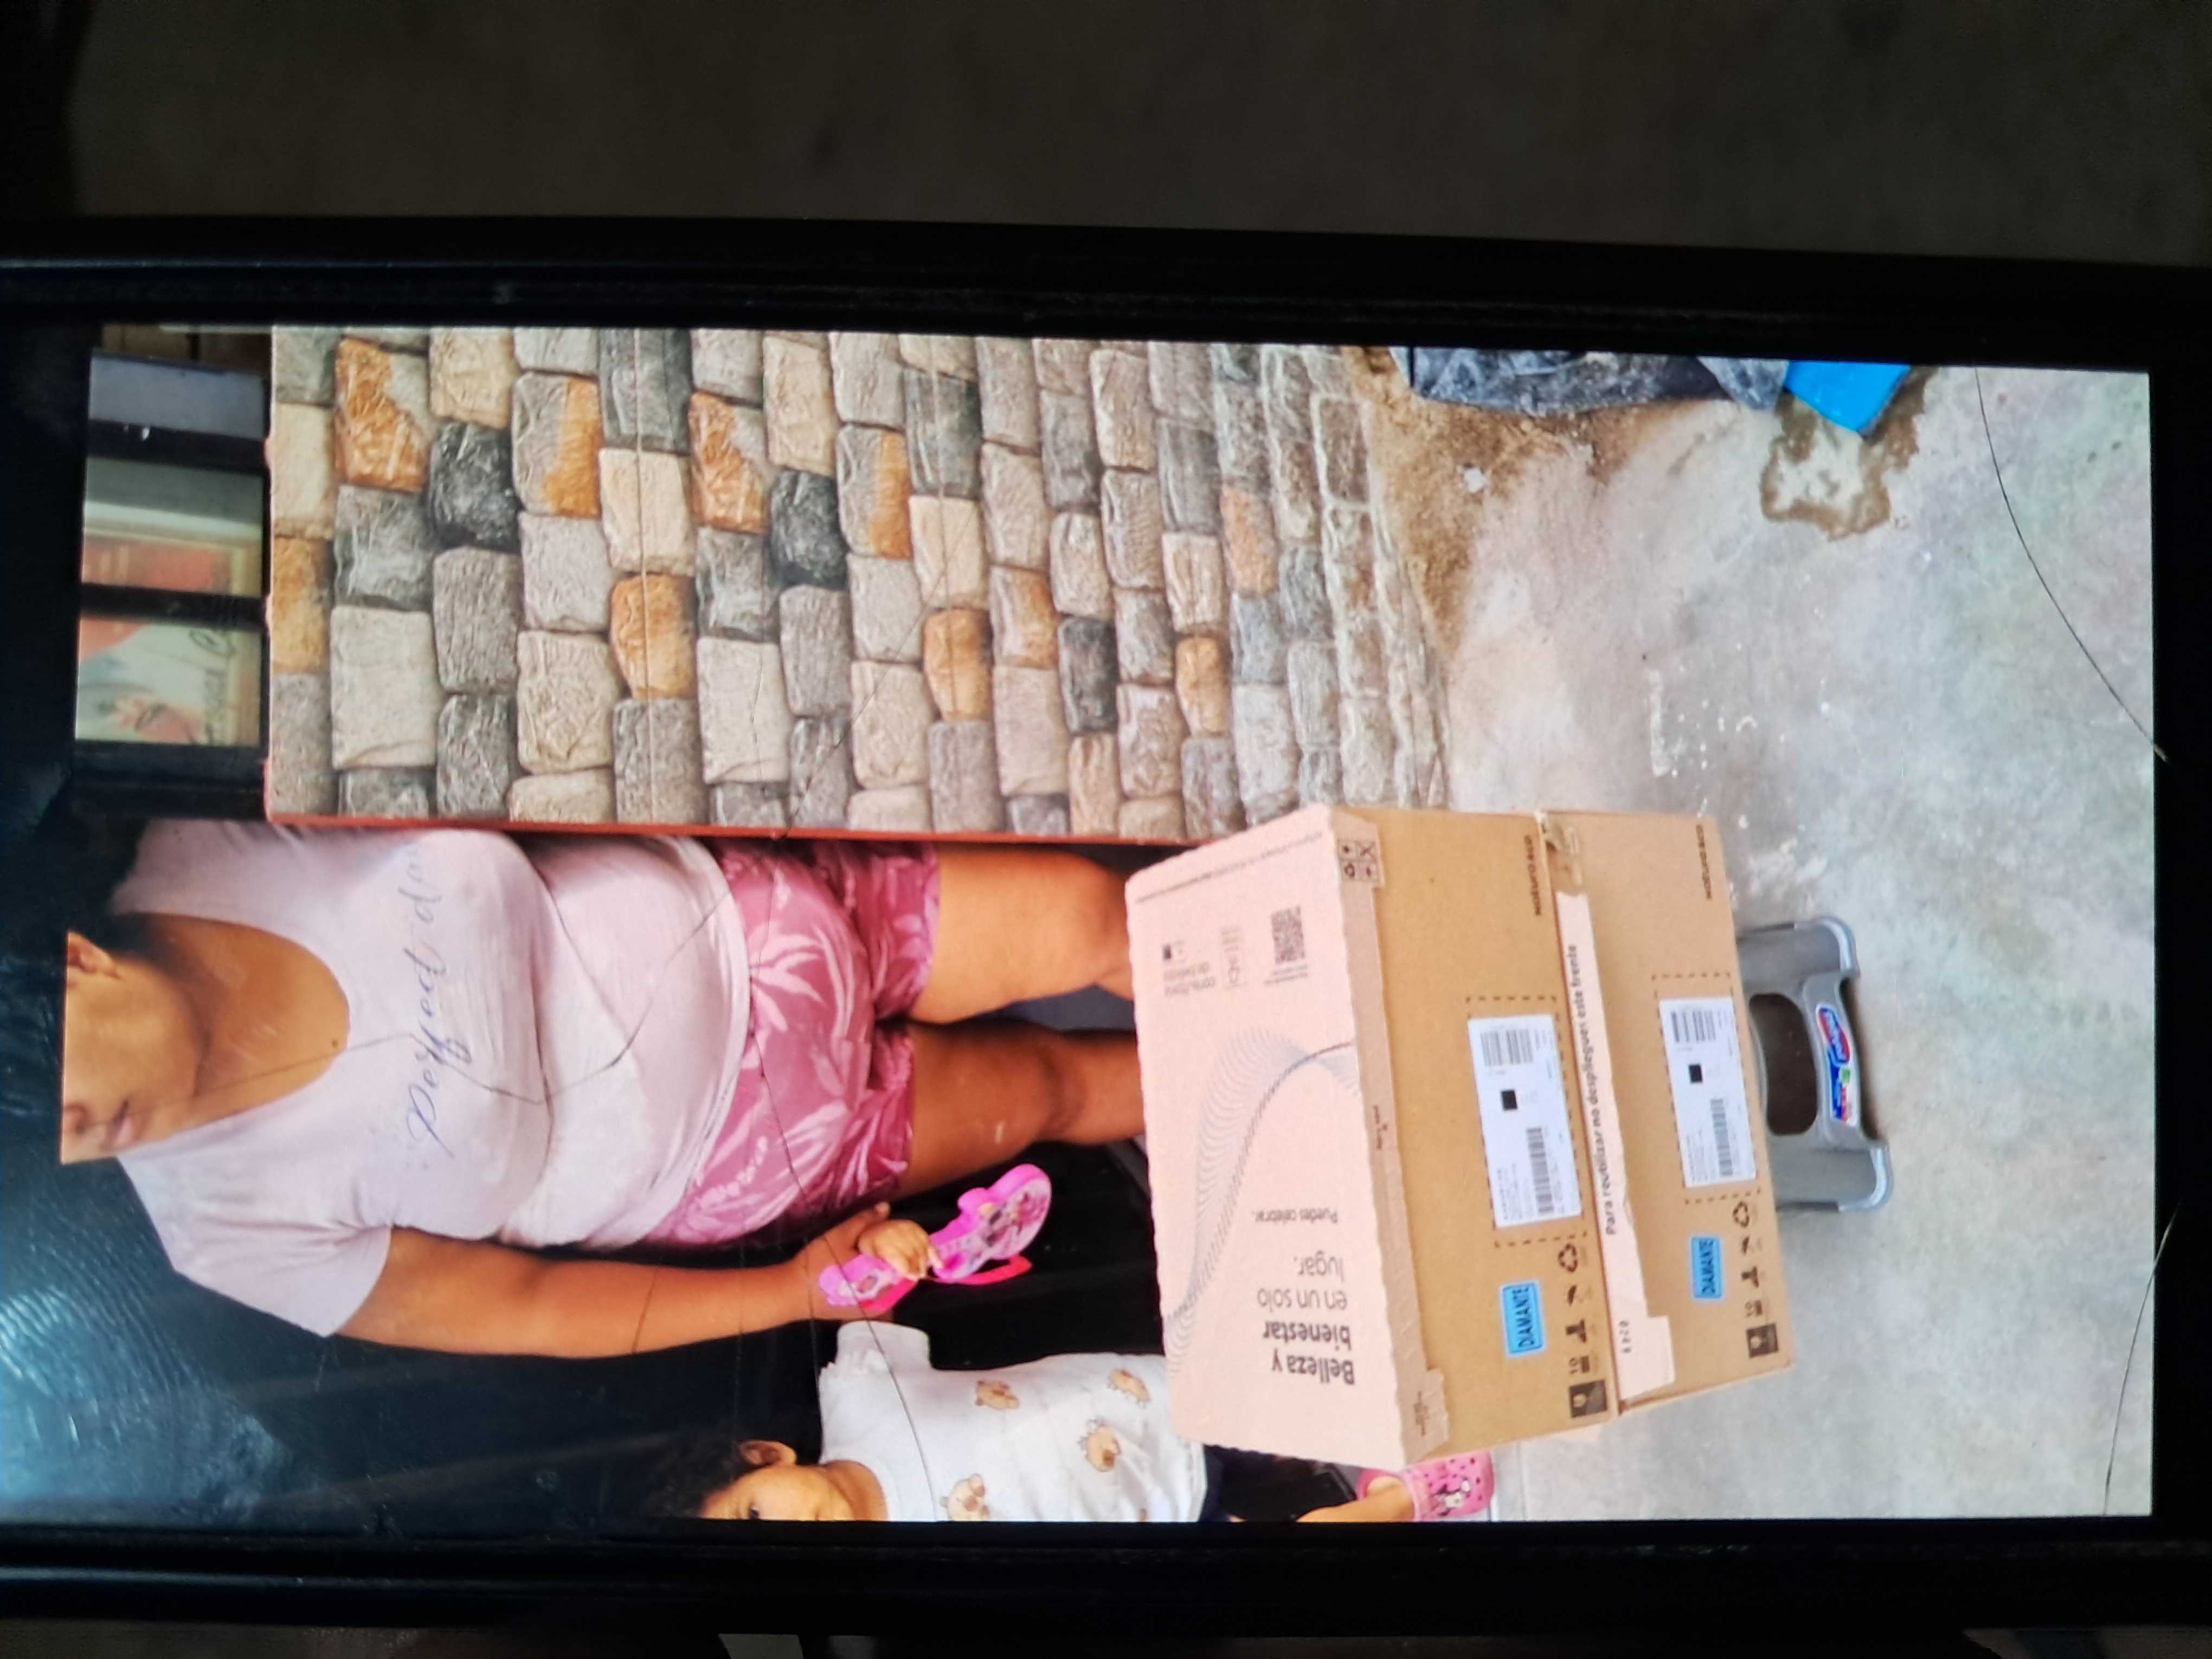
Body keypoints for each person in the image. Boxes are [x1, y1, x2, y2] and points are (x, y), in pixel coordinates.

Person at [53, 819, 1143, 1356]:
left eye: (43, 1086)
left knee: (1097, 916)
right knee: (1052, 1090)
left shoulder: (209, 841)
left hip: (766, 916)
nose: (76, 1131)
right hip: (755, 1147)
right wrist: (791, 1293)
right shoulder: (219, 1231)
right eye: (48, 1138)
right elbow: (525, 1309)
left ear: (75, 965)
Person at [657, 1217, 1493, 1525]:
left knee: (1294, 1394)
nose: (782, 1535)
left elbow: (871, 1294)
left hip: (1153, 1402)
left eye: (754, 1514)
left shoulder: (855, 1394)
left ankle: (1385, 1400)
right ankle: (1404, 1501)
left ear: (767, 1456)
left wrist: (890, 1245)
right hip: (1154, 1514)